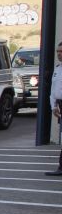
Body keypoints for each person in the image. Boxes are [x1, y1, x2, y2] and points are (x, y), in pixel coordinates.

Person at [46, 41, 62, 177]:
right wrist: (53, 106)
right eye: (58, 51)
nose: (59, 54)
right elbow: (53, 90)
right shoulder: (57, 69)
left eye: (61, 52)